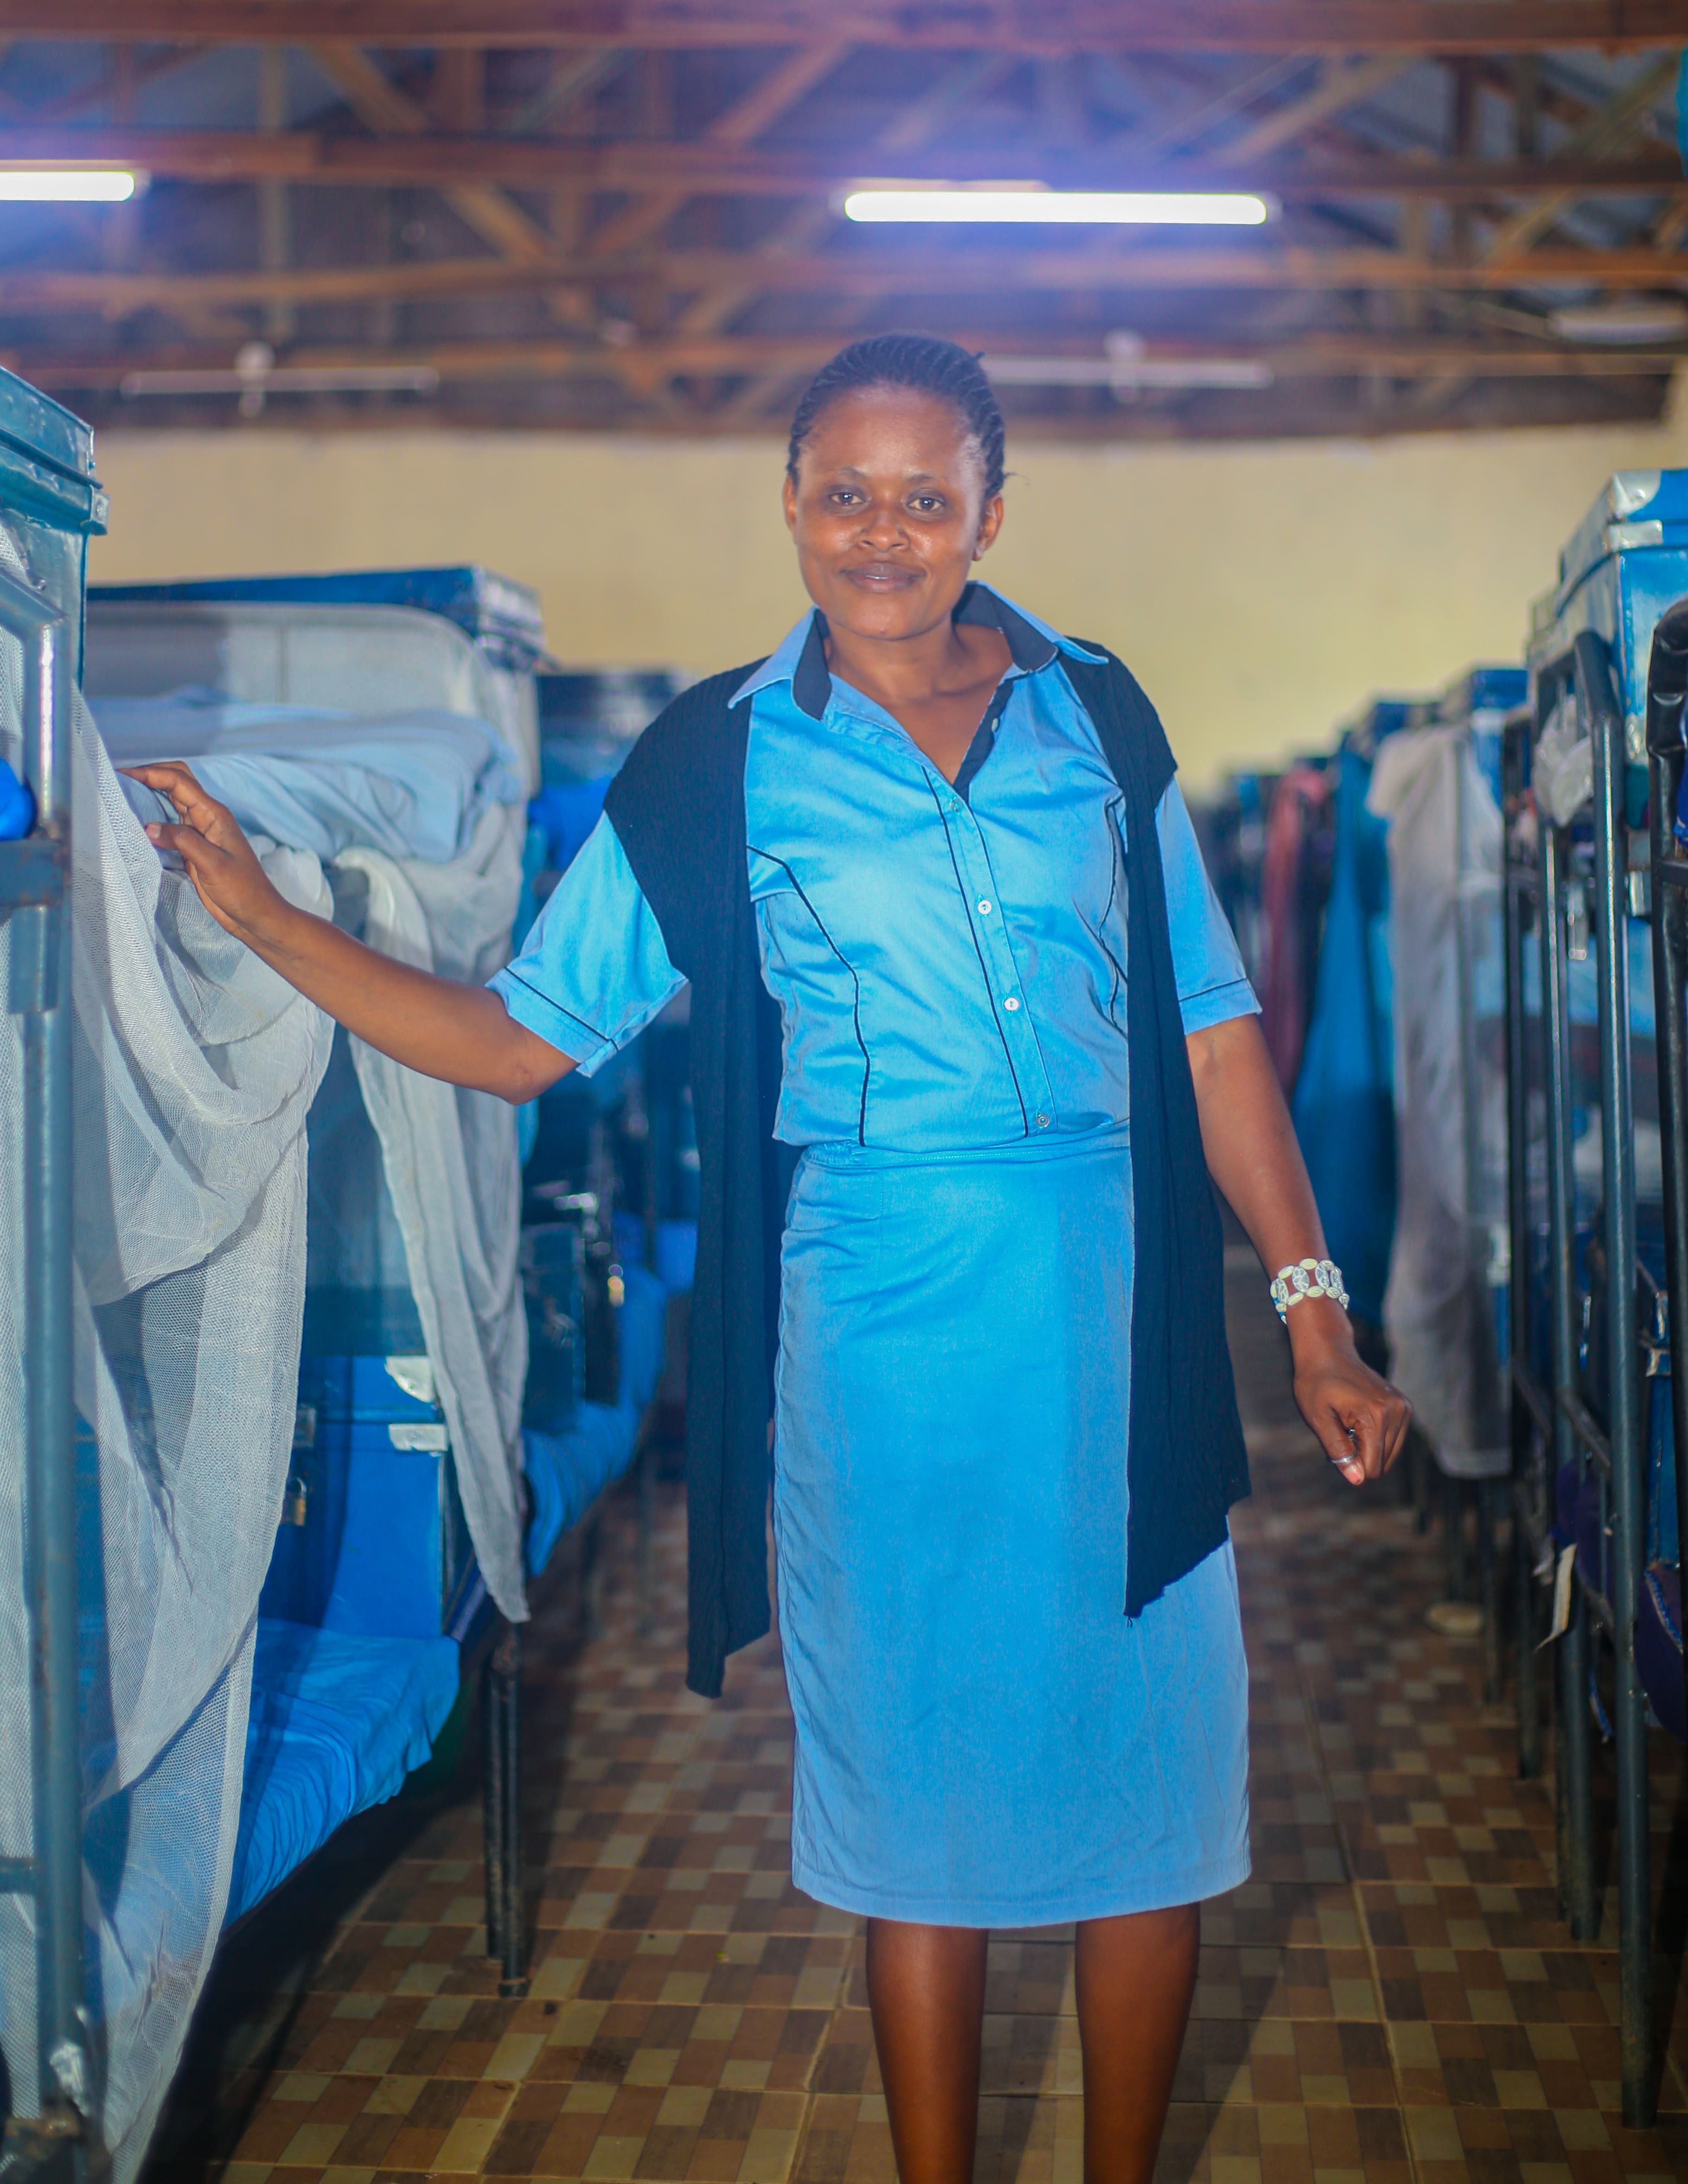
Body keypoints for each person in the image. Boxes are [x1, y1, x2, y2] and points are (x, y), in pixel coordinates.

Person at [127, 334, 1410, 2184]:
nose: (883, 532)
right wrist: (259, 916)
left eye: (926, 497)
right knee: (916, 1814)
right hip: (880, 1333)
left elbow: (1210, 1031)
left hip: (1113, 1321)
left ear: (989, 512)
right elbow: (521, 1037)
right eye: (845, 493)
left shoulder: (1098, 717)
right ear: (791, 502)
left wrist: (1313, 1314)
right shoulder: (713, 765)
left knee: (1155, 1801)